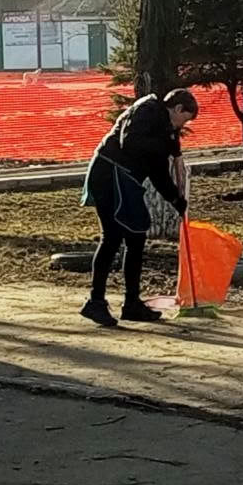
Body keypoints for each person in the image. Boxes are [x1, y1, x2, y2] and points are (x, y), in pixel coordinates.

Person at [79, 88, 198, 326]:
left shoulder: (161, 125)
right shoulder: (147, 110)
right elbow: (131, 142)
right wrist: (166, 145)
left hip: (124, 178)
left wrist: (176, 199)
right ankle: (96, 302)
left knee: (136, 238)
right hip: (110, 174)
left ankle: (131, 303)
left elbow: (157, 172)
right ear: (177, 109)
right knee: (113, 238)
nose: (180, 127)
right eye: (183, 121)